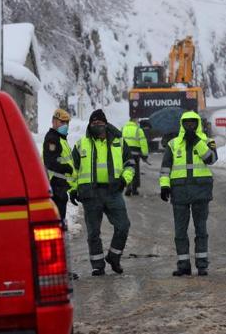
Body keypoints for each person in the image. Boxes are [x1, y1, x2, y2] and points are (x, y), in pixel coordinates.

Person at [70, 109, 135, 276]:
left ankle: (114, 256)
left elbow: (130, 164)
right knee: (93, 232)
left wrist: (124, 180)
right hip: (90, 194)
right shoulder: (81, 144)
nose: (97, 126)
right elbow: (72, 170)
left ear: (106, 124)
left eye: (100, 123)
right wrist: (72, 189)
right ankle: (97, 265)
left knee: (123, 226)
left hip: (113, 191)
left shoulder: (119, 142)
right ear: (89, 125)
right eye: (94, 123)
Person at [159, 111, 217, 277]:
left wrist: (197, 142)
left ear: (197, 123)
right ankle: (183, 265)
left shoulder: (207, 141)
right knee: (180, 232)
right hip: (180, 193)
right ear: (182, 124)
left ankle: (202, 265)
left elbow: (211, 159)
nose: (190, 126)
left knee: (201, 230)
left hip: (201, 192)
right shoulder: (173, 144)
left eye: (193, 123)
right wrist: (164, 186)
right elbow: (165, 168)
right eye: (187, 123)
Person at [42, 108, 79, 280]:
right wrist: (66, 168)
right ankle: (58, 269)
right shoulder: (52, 139)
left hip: (61, 189)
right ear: (54, 122)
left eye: (67, 123)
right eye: (62, 122)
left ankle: (61, 269)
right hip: (55, 189)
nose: (65, 126)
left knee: (60, 230)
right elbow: (51, 162)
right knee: (57, 231)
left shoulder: (60, 139)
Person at [121, 118, 149, 196]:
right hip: (135, 154)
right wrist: (145, 155)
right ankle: (134, 189)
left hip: (125, 154)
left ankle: (128, 186)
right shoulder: (138, 130)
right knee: (135, 171)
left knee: (127, 169)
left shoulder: (123, 129)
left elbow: (119, 141)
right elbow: (143, 143)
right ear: (135, 121)